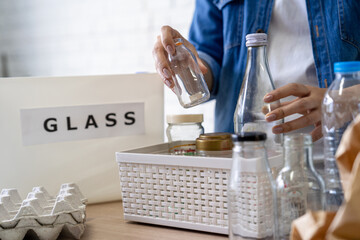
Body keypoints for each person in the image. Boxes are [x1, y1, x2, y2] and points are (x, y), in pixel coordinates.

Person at [153, 0, 360, 145]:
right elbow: (210, 61)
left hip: (342, 164)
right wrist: (185, 65)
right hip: (245, 160)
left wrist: (344, 99)